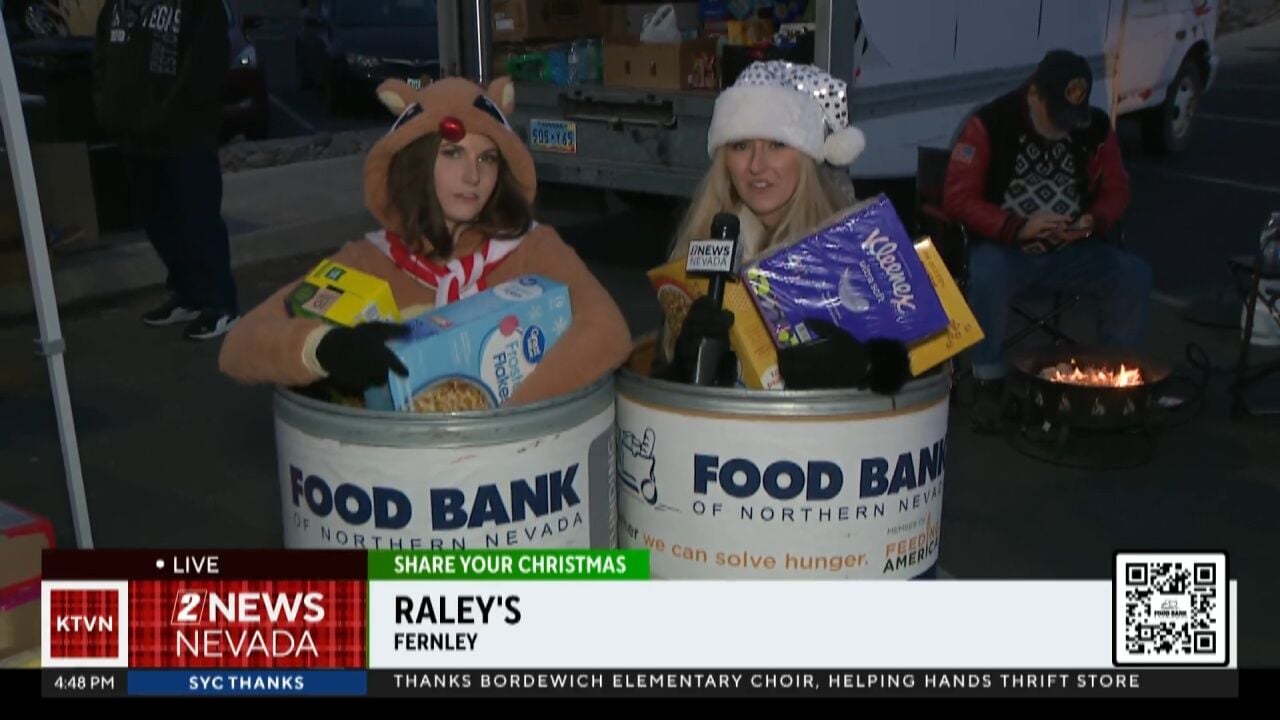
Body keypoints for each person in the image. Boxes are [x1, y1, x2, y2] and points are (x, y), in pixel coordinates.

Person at [218, 76, 631, 407]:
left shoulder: (531, 249)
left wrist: (499, 419)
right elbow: (239, 345)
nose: (473, 176)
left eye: (486, 158)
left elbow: (608, 331)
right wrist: (322, 348)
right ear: (417, 161)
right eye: (452, 154)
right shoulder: (369, 260)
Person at [661, 60, 910, 395]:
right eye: (740, 146)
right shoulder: (699, 252)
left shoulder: (862, 245)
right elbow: (655, 394)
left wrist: (869, 367)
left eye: (777, 144)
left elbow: (923, 372)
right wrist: (685, 367)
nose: (756, 165)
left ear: (806, 157)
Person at [943, 49, 1152, 431]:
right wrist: (1017, 227)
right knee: (988, 272)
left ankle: (1111, 379)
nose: (1063, 127)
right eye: (1056, 115)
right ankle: (989, 380)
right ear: (1034, 94)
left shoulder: (1094, 127)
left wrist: (1093, 220)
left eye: (1071, 116)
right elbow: (957, 198)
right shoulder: (990, 123)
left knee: (1132, 274)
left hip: (1073, 250)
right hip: (1007, 248)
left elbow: (1117, 187)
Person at [92, 0, 240, 340]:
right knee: (159, 223)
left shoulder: (200, 6)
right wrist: (107, 107)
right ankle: (188, 295)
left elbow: (204, 67)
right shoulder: (117, 5)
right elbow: (101, 55)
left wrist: (165, 114)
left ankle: (220, 304)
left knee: (197, 221)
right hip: (134, 135)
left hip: (184, 136)